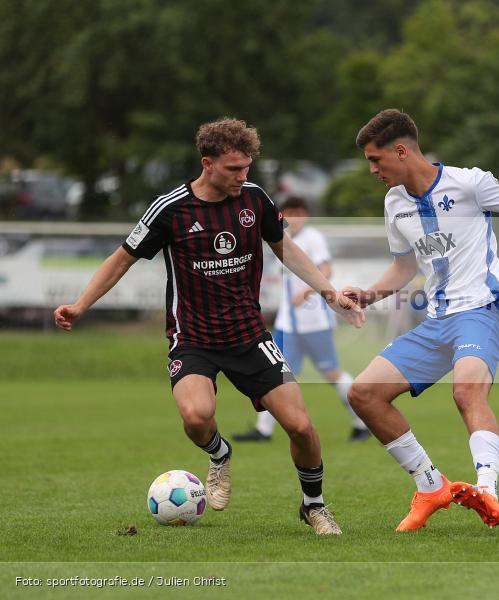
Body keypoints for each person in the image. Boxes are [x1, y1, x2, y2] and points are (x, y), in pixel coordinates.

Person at [53, 118, 363, 534]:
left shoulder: (254, 199)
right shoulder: (171, 208)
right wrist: (80, 305)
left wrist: (329, 293)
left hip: (249, 336)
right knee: (197, 418)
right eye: (233, 169)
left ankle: (314, 506)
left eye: (247, 167)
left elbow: (286, 248)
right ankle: (219, 455)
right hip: (193, 339)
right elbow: (121, 258)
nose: (243, 176)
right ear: (207, 163)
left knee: (302, 427)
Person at [343, 109, 499, 530]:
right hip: (437, 320)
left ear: (401, 150)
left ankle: (488, 492)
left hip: (481, 310)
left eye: (375, 159)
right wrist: (367, 296)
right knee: (364, 394)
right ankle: (431, 486)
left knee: (466, 393)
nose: (372, 169)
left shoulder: (470, 183)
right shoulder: (394, 202)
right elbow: (404, 268)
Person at [233, 196, 370, 443]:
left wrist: (306, 291)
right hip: (288, 323)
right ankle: (263, 430)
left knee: (331, 373)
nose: (294, 218)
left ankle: (362, 422)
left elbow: (327, 269)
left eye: (298, 212)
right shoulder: (280, 238)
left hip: (313, 322)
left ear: (306, 215)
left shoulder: (313, 238)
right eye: (289, 213)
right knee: (277, 373)